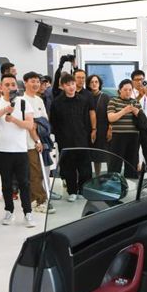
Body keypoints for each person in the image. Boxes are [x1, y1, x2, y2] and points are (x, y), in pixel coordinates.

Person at [0, 73, 36, 227]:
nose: (10, 87)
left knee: (24, 183)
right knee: (6, 183)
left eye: (13, 84)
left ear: (16, 87)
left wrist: (13, 119)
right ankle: (9, 211)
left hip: (20, 150)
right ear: (1, 87)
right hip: (2, 150)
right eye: (7, 85)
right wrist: (5, 109)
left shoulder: (24, 102)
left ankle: (28, 212)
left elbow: (29, 125)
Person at [50, 73, 92, 201]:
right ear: (62, 86)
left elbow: (86, 120)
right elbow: (54, 122)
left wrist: (87, 134)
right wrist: (59, 138)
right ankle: (72, 191)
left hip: (82, 138)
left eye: (73, 84)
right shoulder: (57, 102)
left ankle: (83, 190)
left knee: (85, 168)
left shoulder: (83, 100)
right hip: (65, 140)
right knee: (68, 167)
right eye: (68, 85)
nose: (71, 87)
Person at [20, 72, 50, 215]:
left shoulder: (39, 100)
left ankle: (32, 198)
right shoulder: (22, 100)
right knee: (35, 172)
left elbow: (44, 121)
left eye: (38, 81)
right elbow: (30, 125)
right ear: (25, 83)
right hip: (28, 143)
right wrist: (36, 139)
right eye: (32, 81)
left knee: (37, 171)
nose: (36, 84)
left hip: (40, 141)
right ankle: (40, 201)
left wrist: (39, 127)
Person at [107, 79, 141, 178]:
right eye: (125, 90)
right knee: (115, 163)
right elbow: (111, 118)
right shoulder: (113, 101)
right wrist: (124, 111)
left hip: (134, 136)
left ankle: (132, 183)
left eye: (130, 90)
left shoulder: (135, 102)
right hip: (118, 136)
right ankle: (113, 183)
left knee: (132, 163)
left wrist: (136, 112)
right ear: (120, 90)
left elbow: (141, 119)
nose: (128, 92)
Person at [130, 70, 147, 178]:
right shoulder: (130, 92)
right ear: (132, 81)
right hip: (134, 128)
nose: (139, 82)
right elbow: (130, 106)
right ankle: (134, 178)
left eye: (141, 79)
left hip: (146, 127)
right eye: (136, 80)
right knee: (133, 155)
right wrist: (140, 96)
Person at [86, 74, 112, 174]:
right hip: (92, 129)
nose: (94, 84)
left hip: (104, 129)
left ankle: (110, 176)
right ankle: (97, 176)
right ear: (88, 84)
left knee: (108, 154)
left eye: (96, 82)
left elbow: (111, 113)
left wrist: (110, 129)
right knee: (96, 156)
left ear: (99, 83)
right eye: (92, 82)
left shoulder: (106, 97)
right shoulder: (87, 96)